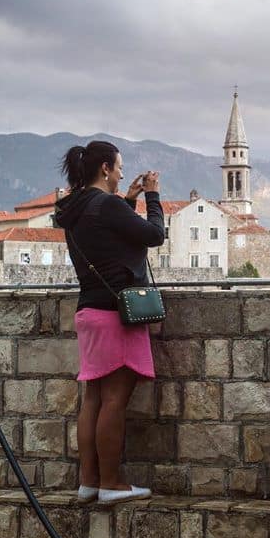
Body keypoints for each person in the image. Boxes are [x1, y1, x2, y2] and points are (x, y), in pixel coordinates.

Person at [54, 140, 165, 505]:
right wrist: (151, 197)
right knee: (115, 400)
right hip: (117, 314)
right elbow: (152, 236)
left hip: (89, 311)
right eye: (118, 166)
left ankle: (88, 481)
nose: (121, 172)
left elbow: (109, 238)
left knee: (94, 398)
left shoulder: (77, 206)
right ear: (105, 168)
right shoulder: (103, 204)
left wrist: (126, 200)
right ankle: (112, 483)